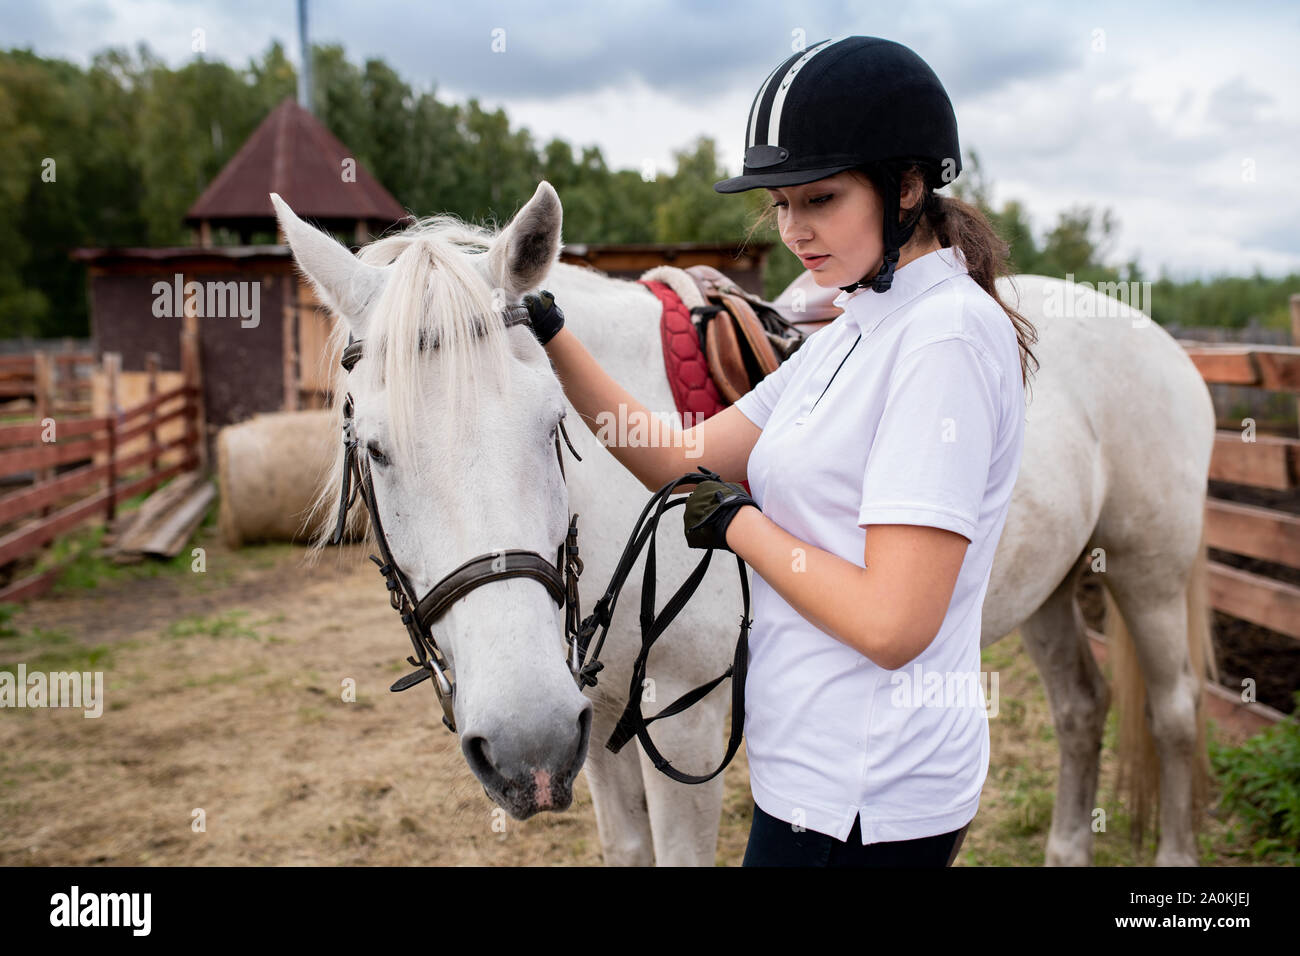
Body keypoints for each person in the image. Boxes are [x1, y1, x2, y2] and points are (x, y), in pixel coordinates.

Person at [525, 35, 1037, 867]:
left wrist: (741, 528)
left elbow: (894, 622)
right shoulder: (855, 328)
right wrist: (553, 332)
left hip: (871, 794)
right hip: (813, 774)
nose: (795, 230)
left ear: (908, 187)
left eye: (822, 199)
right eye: (783, 204)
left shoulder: (942, 341)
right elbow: (677, 457)